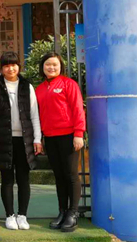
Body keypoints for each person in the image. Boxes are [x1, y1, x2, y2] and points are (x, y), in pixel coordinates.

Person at [0, 52, 42, 231]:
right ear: (1, 68)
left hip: (25, 140)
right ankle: (10, 215)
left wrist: (37, 138)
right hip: (4, 139)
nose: (10, 68)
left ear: (19, 66)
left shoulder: (27, 86)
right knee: (6, 179)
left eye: (13, 65)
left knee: (23, 179)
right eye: (6, 65)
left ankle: (22, 215)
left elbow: (34, 114)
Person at [35, 53, 86, 233]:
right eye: (48, 64)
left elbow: (78, 109)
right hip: (50, 137)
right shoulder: (39, 89)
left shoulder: (68, 84)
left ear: (61, 66)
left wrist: (78, 133)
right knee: (59, 176)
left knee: (71, 174)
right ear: (42, 67)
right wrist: (40, 137)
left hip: (69, 135)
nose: (51, 67)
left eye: (55, 64)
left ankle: (73, 213)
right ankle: (62, 211)